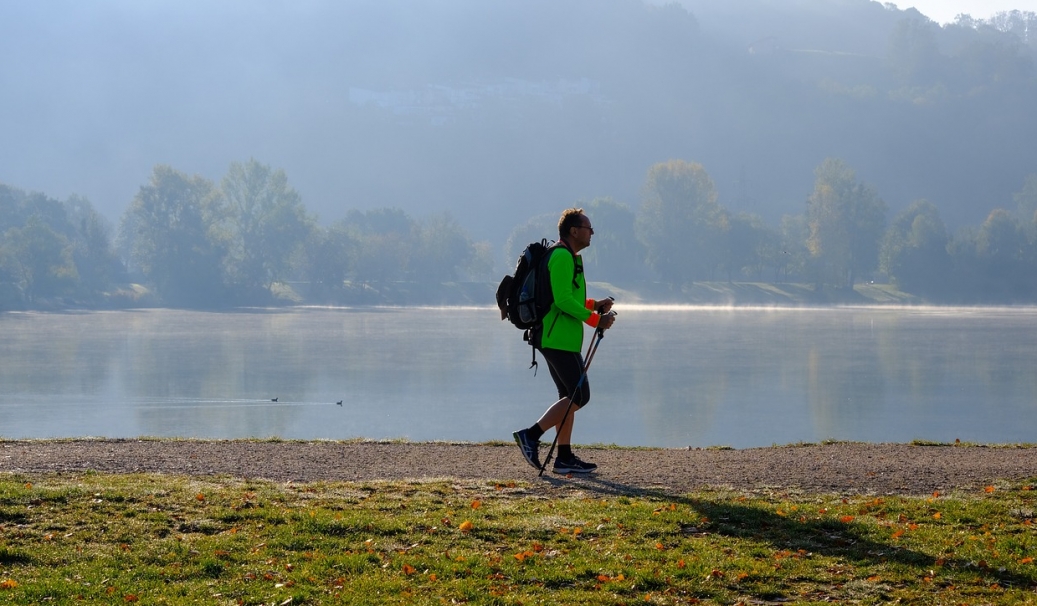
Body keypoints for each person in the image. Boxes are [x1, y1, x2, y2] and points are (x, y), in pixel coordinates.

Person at [513, 208, 615, 474]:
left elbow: (571, 298)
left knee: (568, 397)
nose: (591, 232)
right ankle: (531, 436)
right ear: (573, 230)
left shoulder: (570, 257)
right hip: (556, 337)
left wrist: (595, 305)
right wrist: (596, 321)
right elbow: (562, 300)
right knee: (580, 395)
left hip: (562, 338)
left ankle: (564, 458)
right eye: (588, 228)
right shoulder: (561, 256)